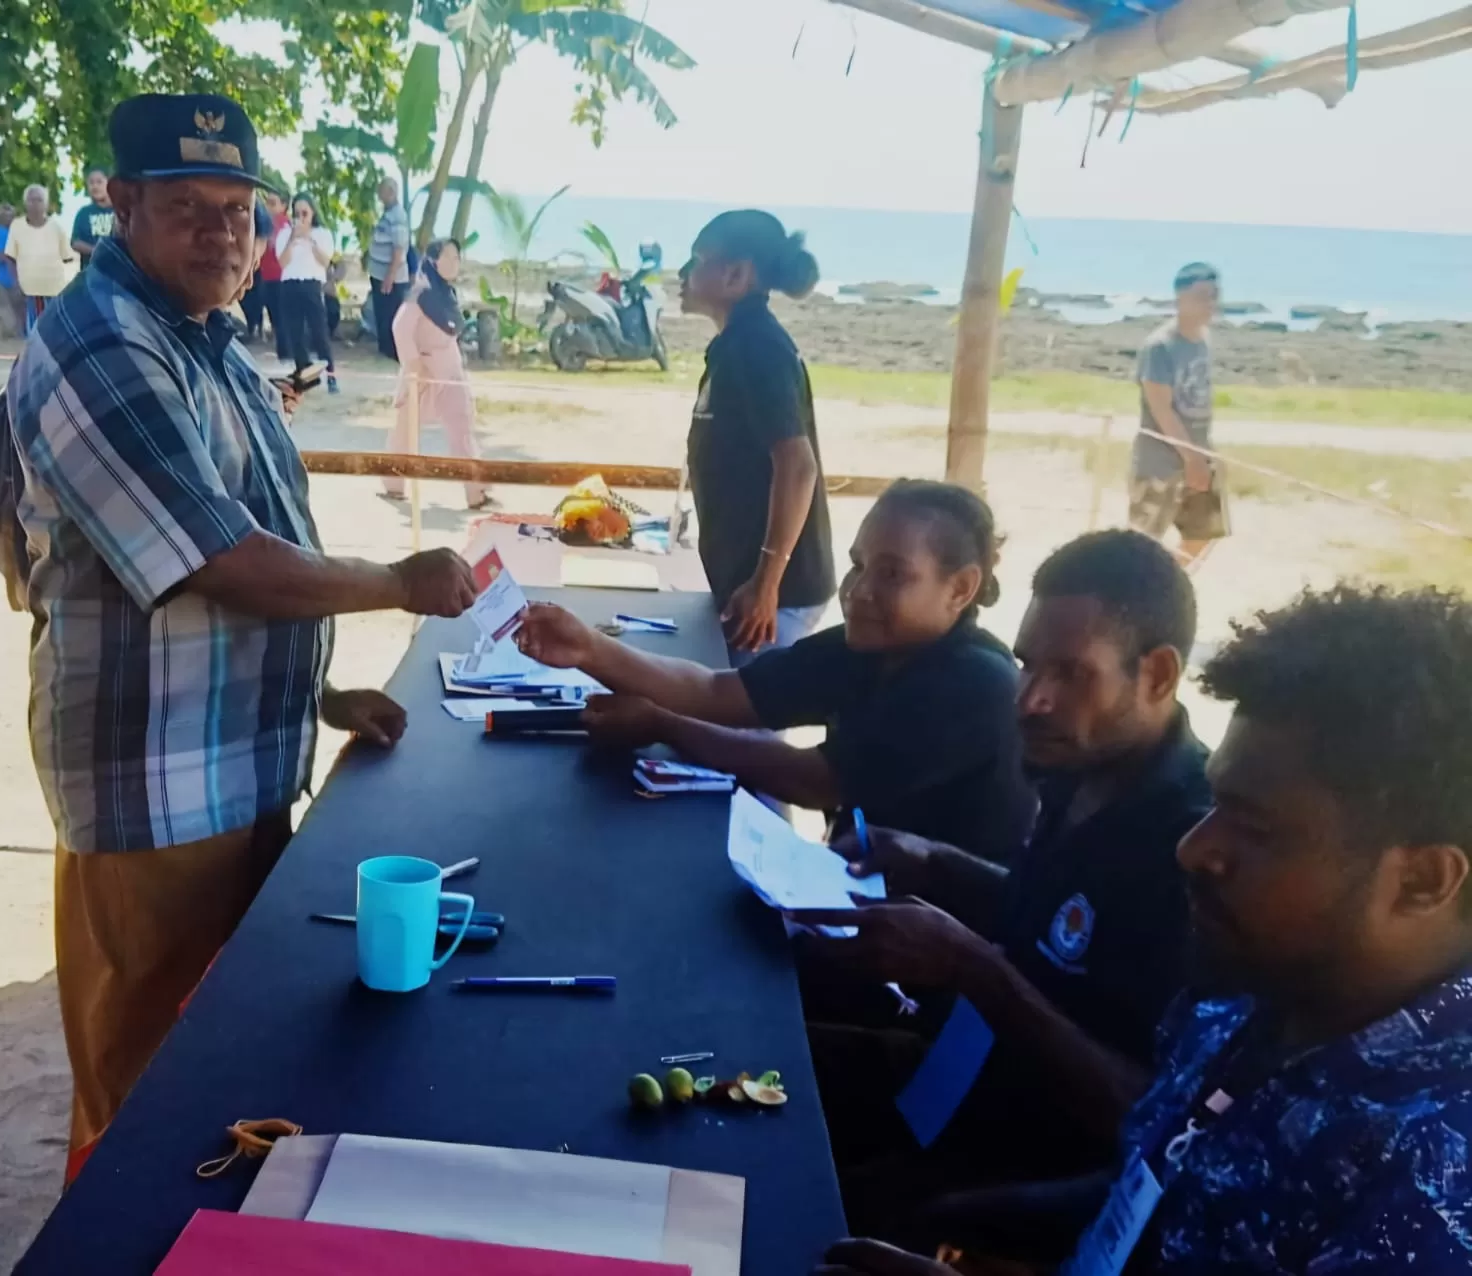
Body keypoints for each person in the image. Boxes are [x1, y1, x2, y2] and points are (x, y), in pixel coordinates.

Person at [5, 92, 476, 1178]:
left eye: (238, 210)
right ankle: (106, 1245)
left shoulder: (210, 341)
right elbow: (223, 561)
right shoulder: (101, 342)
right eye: (188, 208)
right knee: (140, 1086)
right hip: (153, 790)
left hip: (242, 769)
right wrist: (397, 584)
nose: (221, 233)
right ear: (121, 203)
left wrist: (316, 694)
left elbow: (233, 552)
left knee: (228, 1062)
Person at [816, 585, 1472, 1275]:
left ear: (1423, 880)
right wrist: (952, 1225)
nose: (1193, 848)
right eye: (1217, 804)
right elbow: (1159, 1182)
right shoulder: (1246, 992)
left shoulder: (1439, 1181)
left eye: (1255, 830)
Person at [793, 530, 1211, 1243]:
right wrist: (937, 863)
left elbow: (1145, 1116)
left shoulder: (1197, 854)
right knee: (744, 1050)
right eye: (1027, 665)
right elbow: (1059, 923)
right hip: (953, 1076)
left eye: (1071, 674)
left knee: (791, 1210)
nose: (1032, 699)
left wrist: (974, 968)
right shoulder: (1081, 762)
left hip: (1032, 1158)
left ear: (1158, 674)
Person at [517, 481, 1035, 858]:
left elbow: (814, 781)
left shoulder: (974, 684)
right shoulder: (868, 647)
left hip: (948, 942)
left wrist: (662, 725)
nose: (859, 591)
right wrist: (588, 649)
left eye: (893, 574)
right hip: (870, 890)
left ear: (960, 589)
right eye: (858, 565)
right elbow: (715, 693)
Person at [679, 209, 834, 666]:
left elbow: (798, 465)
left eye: (697, 260)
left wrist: (766, 582)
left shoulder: (757, 346)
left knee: (743, 711)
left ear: (736, 275)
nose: (683, 273)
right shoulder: (736, 344)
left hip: (774, 596)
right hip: (748, 584)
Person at [1130, 262, 1228, 572]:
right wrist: (1192, 459)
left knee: (1203, 533)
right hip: (1159, 463)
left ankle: (1167, 585)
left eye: (1213, 296)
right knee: (1142, 544)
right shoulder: (1160, 347)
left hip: (1199, 454)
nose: (1209, 304)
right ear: (1180, 298)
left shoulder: (1203, 339)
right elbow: (1161, 408)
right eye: (1201, 296)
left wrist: (1207, 455)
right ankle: (1143, 591)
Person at [385, 238, 489, 510]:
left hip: (450, 372)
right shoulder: (421, 293)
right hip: (422, 373)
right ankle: (393, 483)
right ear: (433, 260)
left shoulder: (447, 294)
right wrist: (413, 364)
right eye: (448, 257)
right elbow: (400, 328)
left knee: (461, 424)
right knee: (405, 430)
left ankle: (476, 489)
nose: (454, 263)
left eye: (457, 257)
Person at [275, 192, 337, 393]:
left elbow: (325, 261)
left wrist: (309, 239)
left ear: (312, 213)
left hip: (311, 285)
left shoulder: (322, 234)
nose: (301, 218)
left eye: (305, 213)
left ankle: (331, 374)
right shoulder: (285, 234)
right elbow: (282, 262)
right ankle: (305, 374)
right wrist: (293, 239)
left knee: (319, 331)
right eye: (297, 213)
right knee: (295, 334)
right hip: (290, 285)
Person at [4, 184, 75, 332]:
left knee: (53, 331)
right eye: (31, 200)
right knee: (33, 331)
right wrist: (15, 285)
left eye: (39, 200)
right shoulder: (17, 226)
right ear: (25, 203)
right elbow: (10, 258)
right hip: (28, 290)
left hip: (54, 289)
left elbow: (68, 258)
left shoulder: (57, 227)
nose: (35, 204)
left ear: (46, 204)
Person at [367, 176, 416, 360]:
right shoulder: (388, 214)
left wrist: (390, 275)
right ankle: (385, 349)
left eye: (382, 192)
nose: (379, 196)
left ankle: (394, 352)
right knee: (382, 314)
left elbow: (399, 249)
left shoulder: (398, 216)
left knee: (391, 315)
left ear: (391, 192)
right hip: (379, 273)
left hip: (391, 278)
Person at [0, 202, 25, 338]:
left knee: (14, 310)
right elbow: (0, 256)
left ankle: (18, 333)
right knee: (12, 312)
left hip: (4, 277)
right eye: (9, 216)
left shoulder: (4, 232)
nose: (12, 219)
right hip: (5, 278)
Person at [239, 198, 275, 343]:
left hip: (252, 264)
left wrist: (255, 256)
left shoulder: (254, 204)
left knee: (254, 297)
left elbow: (264, 232)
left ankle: (254, 328)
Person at [259, 190, 290, 359]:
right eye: (267, 203)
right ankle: (283, 352)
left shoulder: (283, 224)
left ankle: (286, 353)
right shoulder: (270, 222)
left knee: (280, 318)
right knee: (275, 317)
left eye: (273, 203)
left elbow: (272, 245)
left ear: (283, 206)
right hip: (268, 276)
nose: (268, 207)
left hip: (280, 277)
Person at [70, 166, 116, 270]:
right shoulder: (83, 213)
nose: (95, 186)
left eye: (99, 182)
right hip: (91, 272)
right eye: (91, 183)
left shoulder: (120, 211)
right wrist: (96, 252)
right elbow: (75, 242)